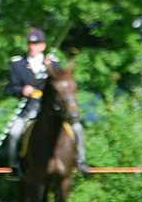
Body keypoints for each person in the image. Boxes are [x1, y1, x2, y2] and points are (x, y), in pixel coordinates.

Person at [7, 28, 88, 176]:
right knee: (14, 133)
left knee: (77, 128)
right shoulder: (18, 64)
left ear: (43, 45)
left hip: (52, 109)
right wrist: (22, 90)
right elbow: (12, 88)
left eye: (36, 43)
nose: (32, 46)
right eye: (30, 43)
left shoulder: (52, 64)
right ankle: (15, 166)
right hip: (29, 107)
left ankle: (81, 160)